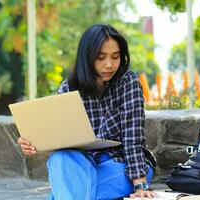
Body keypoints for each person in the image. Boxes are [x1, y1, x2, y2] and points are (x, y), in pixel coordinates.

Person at [17, 24, 157, 200]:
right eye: (100, 57)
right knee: (60, 157)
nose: (109, 65)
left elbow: (132, 137)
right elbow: (61, 138)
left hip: (123, 165)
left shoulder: (128, 82)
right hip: (84, 163)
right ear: (87, 58)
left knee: (66, 192)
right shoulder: (69, 88)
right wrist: (34, 141)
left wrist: (140, 185)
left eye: (115, 57)